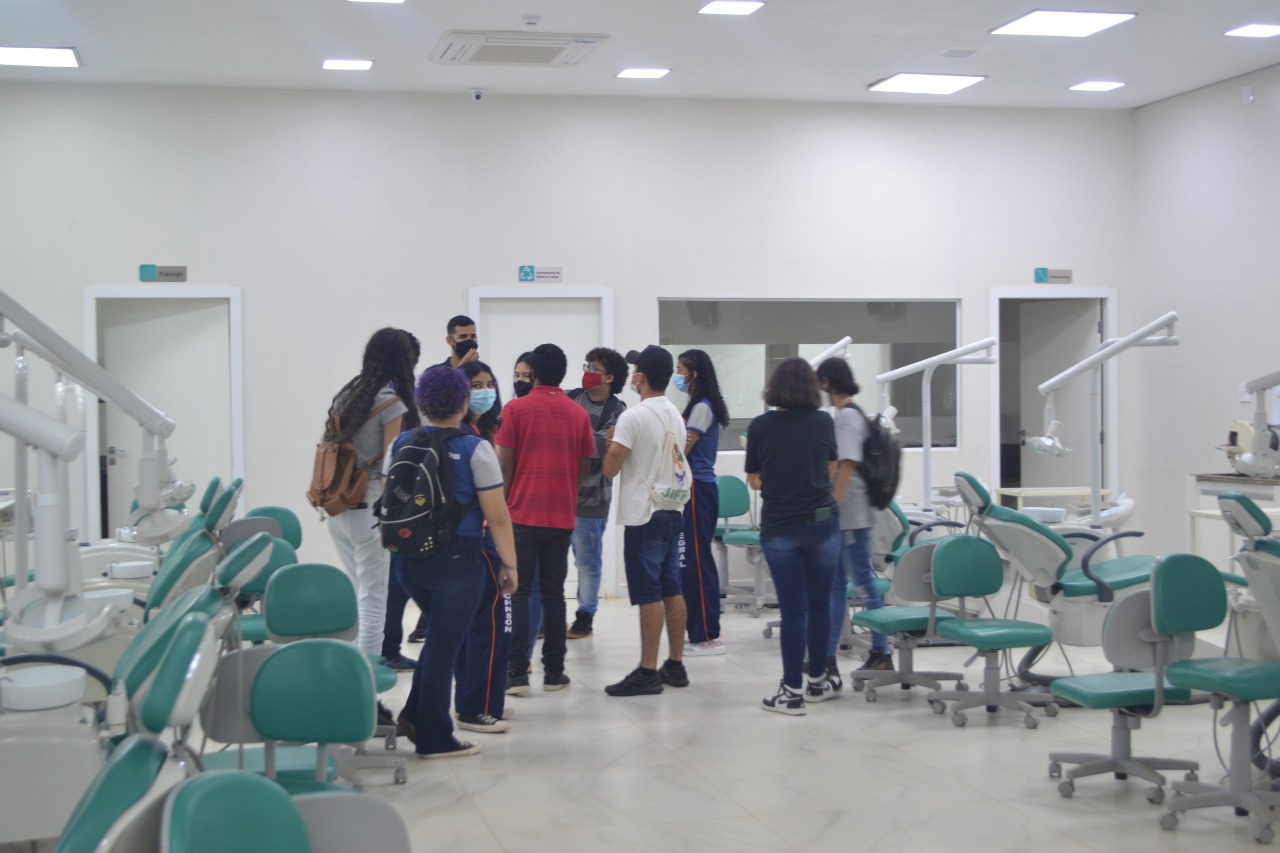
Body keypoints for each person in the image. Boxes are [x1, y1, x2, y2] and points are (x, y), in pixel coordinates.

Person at [393, 366, 517, 759]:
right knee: (445, 648)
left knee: (440, 641)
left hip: (408, 559)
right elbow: (497, 515)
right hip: (457, 561)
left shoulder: (401, 442)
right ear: (464, 402)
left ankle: (414, 715)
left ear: (422, 402)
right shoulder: (475, 448)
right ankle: (434, 737)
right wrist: (510, 565)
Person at [496, 343, 595, 694]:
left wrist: (502, 507)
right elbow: (584, 466)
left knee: (519, 592)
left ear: (534, 373)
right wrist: (566, 493)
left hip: (522, 514)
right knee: (554, 594)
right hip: (561, 517)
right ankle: (554, 672)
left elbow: (504, 465)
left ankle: (517, 673)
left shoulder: (515, 409)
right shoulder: (578, 414)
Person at [744, 357, 841, 715]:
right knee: (820, 605)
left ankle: (791, 692)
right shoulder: (823, 421)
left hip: (780, 526)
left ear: (774, 388)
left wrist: (774, 477)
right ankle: (818, 680)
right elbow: (830, 468)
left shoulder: (761, 426)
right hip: (822, 523)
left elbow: (754, 480)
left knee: (793, 610)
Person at [323, 328, 420, 668]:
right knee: (374, 598)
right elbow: (393, 465)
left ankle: (351, 667)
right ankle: (368, 675)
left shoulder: (346, 395)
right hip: (372, 508)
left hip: (338, 506)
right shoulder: (393, 405)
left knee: (358, 592)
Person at [601, 345, 690, 696]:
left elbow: (610, 469)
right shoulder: (675, 414)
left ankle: (648, 670)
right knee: (672, 588)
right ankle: (676, 664)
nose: (632, 374)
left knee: (649, 592)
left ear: (641, 377)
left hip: (643, 515)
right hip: (672, 510)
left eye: (635, 369)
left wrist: (610, 444)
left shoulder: (633, 417)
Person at [816, 357, 893, 681]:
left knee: (864, 582)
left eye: (821, 382)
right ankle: (827, 655)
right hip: (849, 515)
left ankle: (882, 652)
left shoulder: (847, 417)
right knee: (836, 585)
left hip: (852, 516)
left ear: (828, 382)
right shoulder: (848, 414)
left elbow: (845, 466)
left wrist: (830, 504)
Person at [452, 360, 517, 732]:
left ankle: (480, 700)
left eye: (489, 384)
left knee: (474, 627)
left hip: (468, 543)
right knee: (492, 625)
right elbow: (497, 512)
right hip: (480, 541)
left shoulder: (478, 432)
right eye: (475, 385)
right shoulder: (470, 440)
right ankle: (477, 707)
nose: (485, 392)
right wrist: (510, 561)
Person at [565, 347, 629, 639]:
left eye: (594, 369)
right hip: (561, 497)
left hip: (593, 499)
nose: (587, 373)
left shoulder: (618, 410)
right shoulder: (570, 398)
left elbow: (603, 447)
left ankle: (585, 614)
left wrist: (573, 438)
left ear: (609, 377)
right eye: (586, 366)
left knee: (587, 561)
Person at [673, 349, 730, 656]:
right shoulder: (697, 406)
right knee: (692, 562)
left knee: (696, 561)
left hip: (698, 489)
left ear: (694, 374)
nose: (677, 376)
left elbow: (682, 450)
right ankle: (699, 631)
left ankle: (708, 635)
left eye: (680, 370)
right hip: (694, 489)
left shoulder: (702, 408)